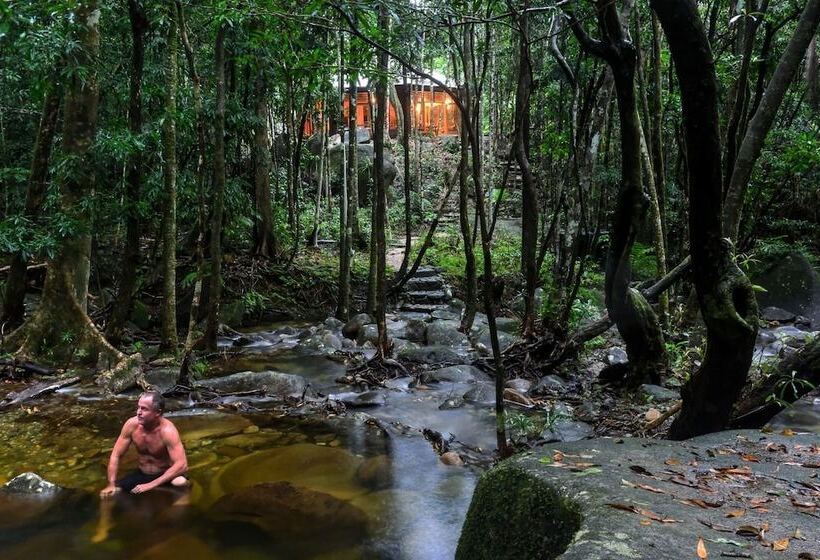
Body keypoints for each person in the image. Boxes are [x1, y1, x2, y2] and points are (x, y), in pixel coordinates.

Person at [100, 391, 189, 498]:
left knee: (180, 482)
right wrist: (111, 483)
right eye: (138, 407)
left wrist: (151, 485)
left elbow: (182, 465)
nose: (138, 412)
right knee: (110, 493)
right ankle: (106, 515)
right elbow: (116, 455)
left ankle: (181, 505)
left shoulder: (168, 431)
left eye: (144, 409)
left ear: (157, 412)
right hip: (143, 473)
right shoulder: (131, 425)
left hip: (165, 474)